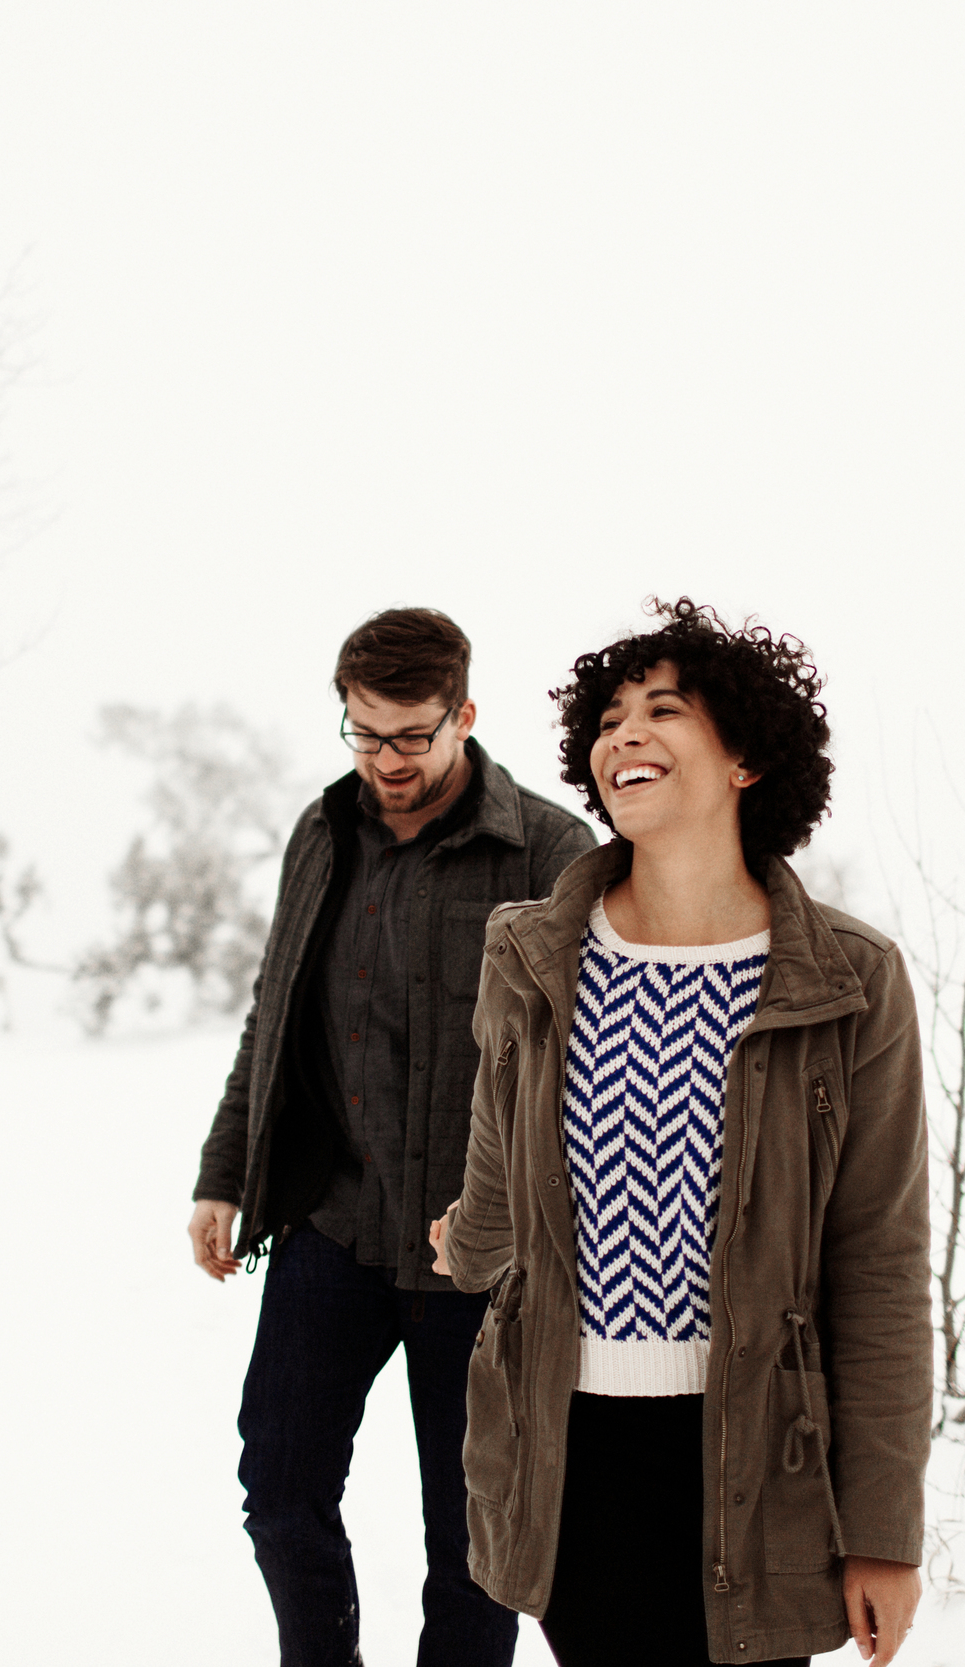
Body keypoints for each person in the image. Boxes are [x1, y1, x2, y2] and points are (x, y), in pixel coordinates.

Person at [432, 599, 931, 1667]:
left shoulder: (850, 980)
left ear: (745, 756)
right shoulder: (529, 955)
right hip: (564, 1446)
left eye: (663, 709)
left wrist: (882, 1530)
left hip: (759, 1454)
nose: (625, 735)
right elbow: (496, 1176)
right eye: (608, 720)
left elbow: (878, 1263)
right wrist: (464, 1241)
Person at [189, 607, 597, 1667]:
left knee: (470, 1541)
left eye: (411, 735)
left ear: (464, 713)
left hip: (476, 1261)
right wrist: (223, 1173)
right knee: (277, 1484)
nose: (386, 760)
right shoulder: (321, 832)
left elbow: (587, 1068)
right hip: (331, 1225)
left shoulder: (553, 851)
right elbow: (273, 1011)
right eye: (364, 733)